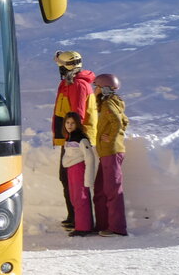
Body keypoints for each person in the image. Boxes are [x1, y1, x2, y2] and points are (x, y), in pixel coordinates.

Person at [52, 51, 97, 228]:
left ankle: (79, 219)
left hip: (76, 140)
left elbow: (77, 114)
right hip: (69, 138)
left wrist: (73, 139)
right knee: (65, 178)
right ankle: (73, 216)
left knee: (72, 180)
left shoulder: (78, 85)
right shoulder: (68, 83)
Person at [93, 73, 130, 236]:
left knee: (112, 190)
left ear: (105, 89)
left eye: (97, 87)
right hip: (107, 152)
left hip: (111, 152)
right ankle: (103, 224)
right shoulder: (112, 103)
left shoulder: (108, 104)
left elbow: (118, 121)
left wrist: (111, 139)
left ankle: (117, 228)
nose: (95, 90)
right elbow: (125, 121)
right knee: (100, 189)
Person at [62, 111, 98, 236]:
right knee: (74, 197)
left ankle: (84, 227)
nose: (69, 125)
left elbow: (89, 157)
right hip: (71, 169)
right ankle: (80, 224)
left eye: (72, 123)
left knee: (80, 197)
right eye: (67, 122)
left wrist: (88, 179)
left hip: (79, 169)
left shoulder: (81, 138)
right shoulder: (70, 137)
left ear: (78, 124)